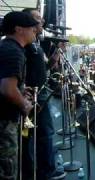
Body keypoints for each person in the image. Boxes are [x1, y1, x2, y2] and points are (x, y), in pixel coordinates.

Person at [22, 8, 66, 180]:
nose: (42, 22)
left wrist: (57, 52)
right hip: (32, 96)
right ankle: (46, 172)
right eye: (38, 19)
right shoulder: (25, 46)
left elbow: (47, 68)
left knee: (41, 134)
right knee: (43, 133)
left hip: (39, 94)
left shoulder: (36, 44)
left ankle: (39, 168)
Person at [0, 11, 38, 180]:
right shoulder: (14, 51)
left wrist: (21, 90)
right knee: (7, 169)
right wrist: (24, 104)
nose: (35, 31)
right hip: (4, 121)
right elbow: (7, 89)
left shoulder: (6, 47)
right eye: (32, 28)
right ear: (19, 29)